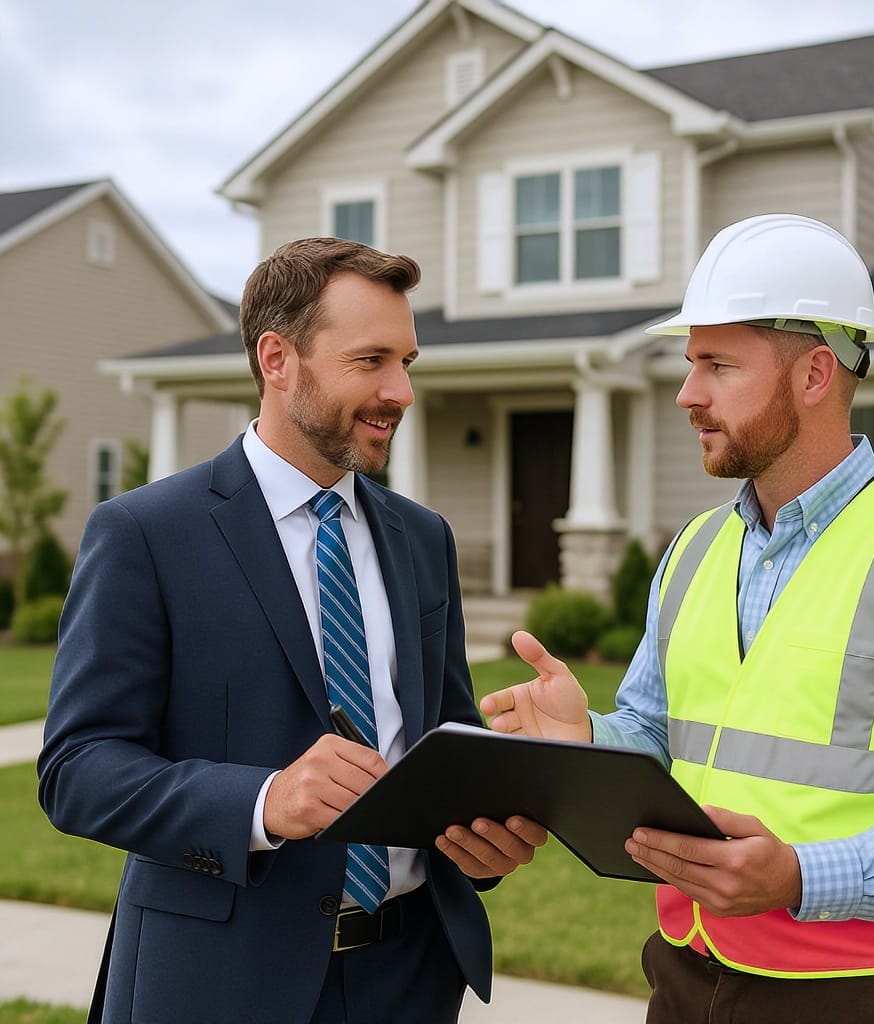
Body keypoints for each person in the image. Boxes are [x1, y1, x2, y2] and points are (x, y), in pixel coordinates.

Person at [482, 214, 874, 1024]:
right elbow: (660, 736)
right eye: (690, 362)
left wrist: (804, 877)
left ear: (812, 376)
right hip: (683, 976)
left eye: (717, 365)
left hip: (854, 996)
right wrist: (591, 737)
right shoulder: (696, 548)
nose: (686, 394)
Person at [37, 237, 546, 1024]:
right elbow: (77, 769)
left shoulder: (423, 538)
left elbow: (441, 740)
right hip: (218, 984)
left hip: (411, 976)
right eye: (371, 360)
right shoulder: (146, 533)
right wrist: (264, 800)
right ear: (278, 358)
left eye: (407, 361)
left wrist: (485, 837)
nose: (401, 391)